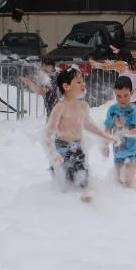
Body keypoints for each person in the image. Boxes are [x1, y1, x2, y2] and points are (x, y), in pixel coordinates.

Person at [43, 67, 112, 202]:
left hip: (77, 146)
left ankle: (84, 194)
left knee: (82, 174)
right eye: (79, 82)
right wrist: (53, 153)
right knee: (63, 182)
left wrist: (106, 136)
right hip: (61, 148)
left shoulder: (83, 106)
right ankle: (63, 201)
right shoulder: (60, 107)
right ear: (66, 86)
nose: (83, 84)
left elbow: (89, 125)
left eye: (83, 81)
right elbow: (49, 132)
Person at [103, 75, 136, 188]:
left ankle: (133, 196)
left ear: (132, 92)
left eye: (126, 95)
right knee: (117, 183)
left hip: (132, 151)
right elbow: (107, 129)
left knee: (127, 181)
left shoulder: (135, 111)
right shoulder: (112, 110)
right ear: (114, 93)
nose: (122, 99)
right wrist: (105, 145)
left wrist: (124, 133)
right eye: (119, 96)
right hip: (118, 152)